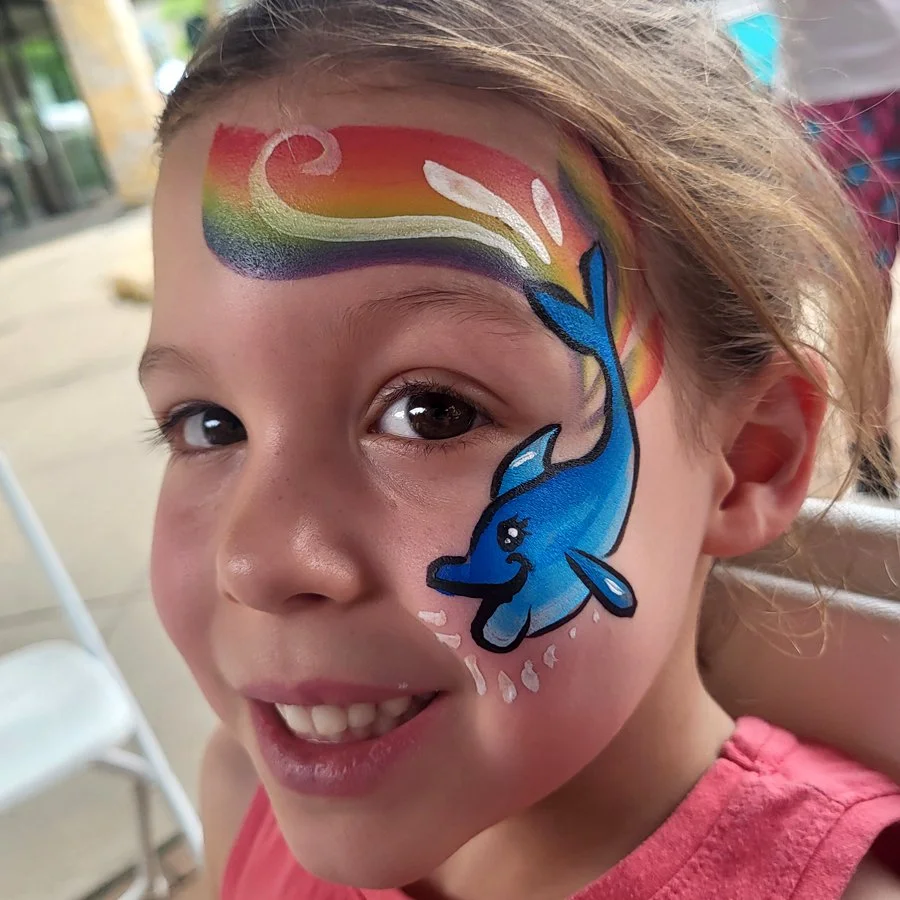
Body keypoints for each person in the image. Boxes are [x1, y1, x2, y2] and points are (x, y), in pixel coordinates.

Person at [143, 1, 900, 897]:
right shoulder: (242, 797)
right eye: (207, 425)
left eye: (431, 414)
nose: (257, 559)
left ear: (751, 457)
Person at [778, 0, 900, 499]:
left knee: (864, 288)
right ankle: (873, 454)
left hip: (858, 90)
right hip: (834, 98)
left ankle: (874, 456)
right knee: (862, 287)